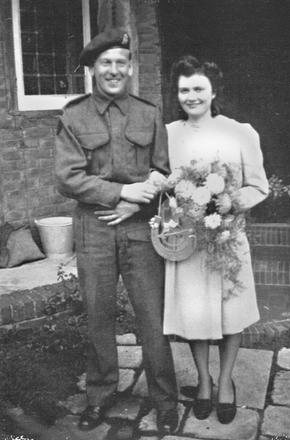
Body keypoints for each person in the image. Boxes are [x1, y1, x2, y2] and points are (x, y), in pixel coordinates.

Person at [55, 28, 178, 433]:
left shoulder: (148, 112)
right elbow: (68, 179)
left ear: (130, 67)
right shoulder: (74, 115)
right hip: (94, 227)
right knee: (98, 315)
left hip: (141, 227)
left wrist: (133, 202)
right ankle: (100, 395)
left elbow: (162, 170)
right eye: (105, 63)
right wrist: (120, 191)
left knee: (152, 316)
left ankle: (164, 398)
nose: (113, 70)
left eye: (120, 63)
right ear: (92, 69)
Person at [163, 55, 269, 424]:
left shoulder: (240, 132)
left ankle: (225, 382)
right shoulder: (168, 134)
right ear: (176, 94)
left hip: (227, 239)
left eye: (198, 88)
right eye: (184, 89)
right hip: (189, 241)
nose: (191, 96)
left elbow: (259, 186)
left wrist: (231, 200)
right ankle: (203, 381)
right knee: (196, 316)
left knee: (230, 314)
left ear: (213, 90)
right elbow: (163, 185)